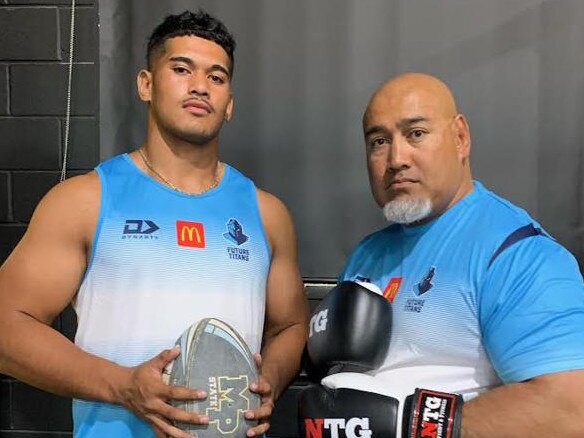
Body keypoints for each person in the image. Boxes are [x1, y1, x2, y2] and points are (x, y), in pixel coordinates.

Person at [0, 9, 308, 438]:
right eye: (181, 69)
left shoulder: (266, 213)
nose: (200, 85)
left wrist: (268, 381)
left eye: (217, 78)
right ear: (146, 84)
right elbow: (6, 326)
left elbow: (291, 326)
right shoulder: (85, 200)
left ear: (230, 104)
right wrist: (124, 386)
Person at [300, 73, 584, 437]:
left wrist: (408, 426)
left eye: (415, 133)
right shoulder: (368, 253)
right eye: (379, 141)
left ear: (461, 138)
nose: (396, 158)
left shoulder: (515, 252)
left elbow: (570, 409)